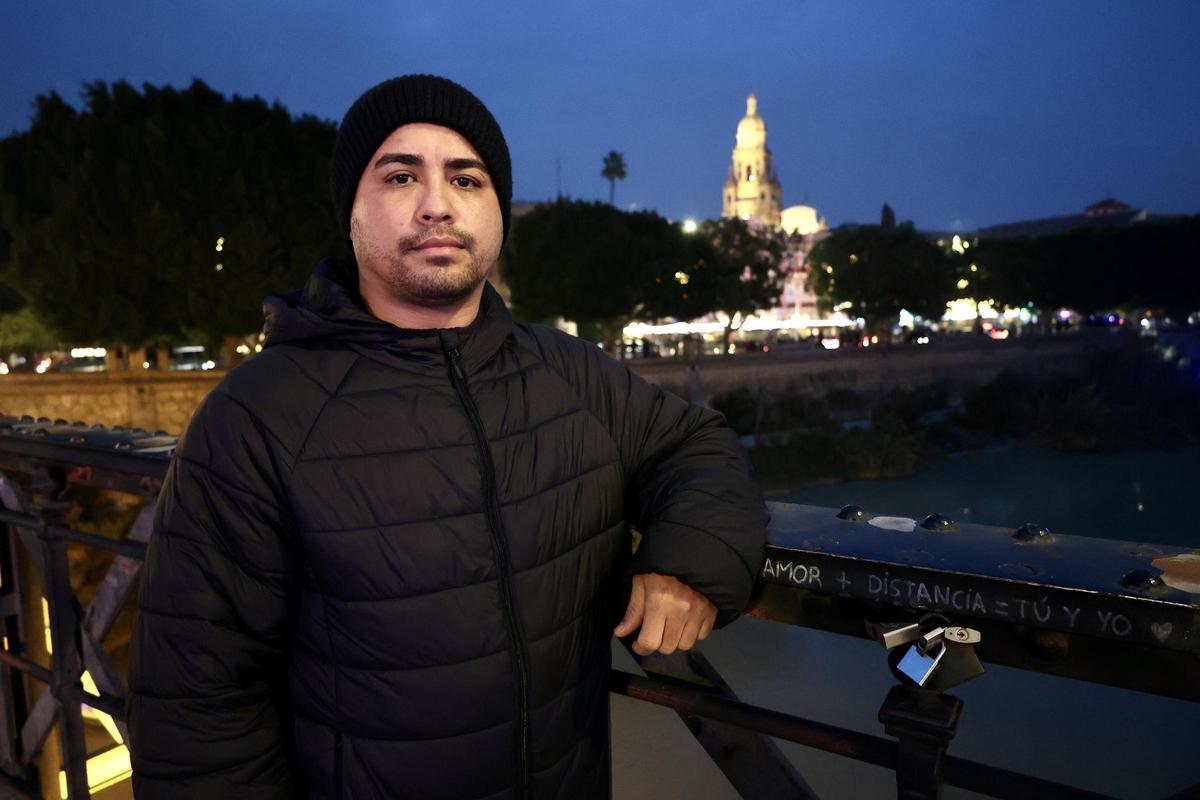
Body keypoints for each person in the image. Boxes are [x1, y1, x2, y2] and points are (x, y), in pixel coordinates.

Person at [127, 74, 767, 800]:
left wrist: (687, 562)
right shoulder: (256, 417)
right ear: (351, 212)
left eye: (466, 179)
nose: (438, 204)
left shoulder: (572, 374)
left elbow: (695, 444)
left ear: (497, 212)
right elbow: (196, 711)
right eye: (401, 176)